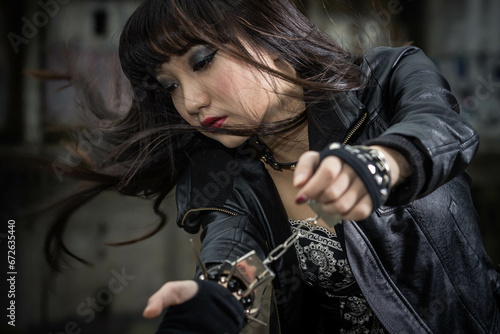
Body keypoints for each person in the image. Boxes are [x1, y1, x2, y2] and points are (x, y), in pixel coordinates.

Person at [44, 0, 499, 333]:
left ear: (269, 36)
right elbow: (232, 248)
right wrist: (214, 298)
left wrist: (379, 163)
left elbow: (441, 128)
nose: (191, 102)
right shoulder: (220, 169)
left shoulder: (386, 80)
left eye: (202, 61)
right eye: (169, 87)